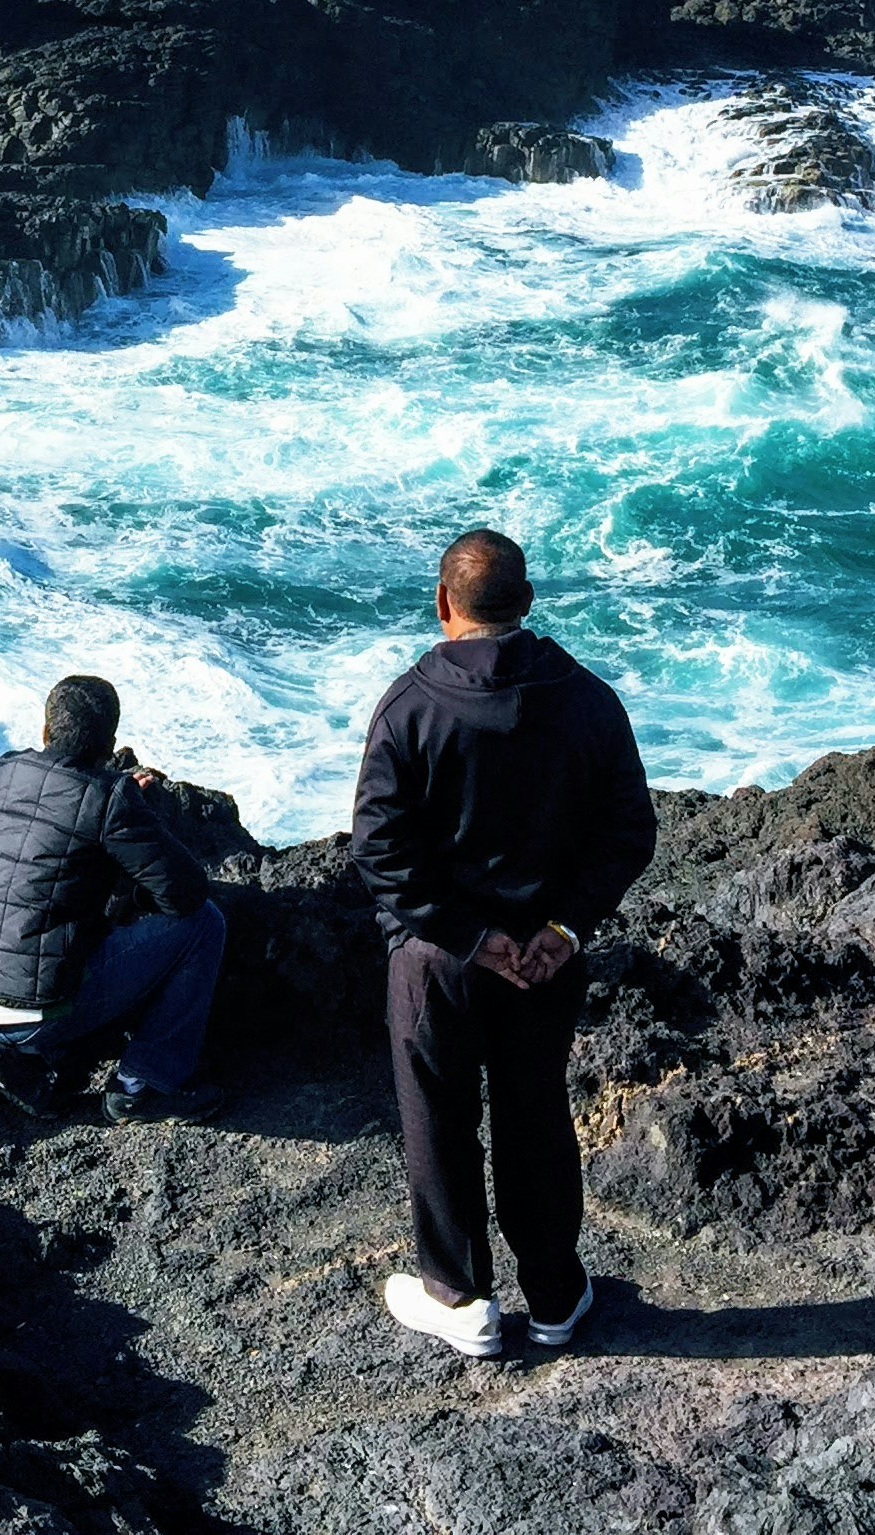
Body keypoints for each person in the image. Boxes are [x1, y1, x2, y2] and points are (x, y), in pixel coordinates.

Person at [351, 528, 655, 1357]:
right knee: (535, 1113)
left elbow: (378, 849)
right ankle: (555, 1295)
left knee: (438, 1119)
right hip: (546, 960)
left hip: (437, 960)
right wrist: (563, 928)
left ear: (444, 604)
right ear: (524, 601)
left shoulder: (408, 705)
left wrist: (468, 935)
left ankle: (461, 1300)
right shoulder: (588, 698)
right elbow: (629, 828)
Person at [0, 674, 230, 1125]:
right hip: (38, 1012)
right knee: (204, 924)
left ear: (44, 732)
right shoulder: (110, 798)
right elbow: (185, 893)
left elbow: (49, 822)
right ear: (110, 743)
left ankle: (16, 1057)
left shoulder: (3, 772)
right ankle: (144, 1085)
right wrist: (130, 811)